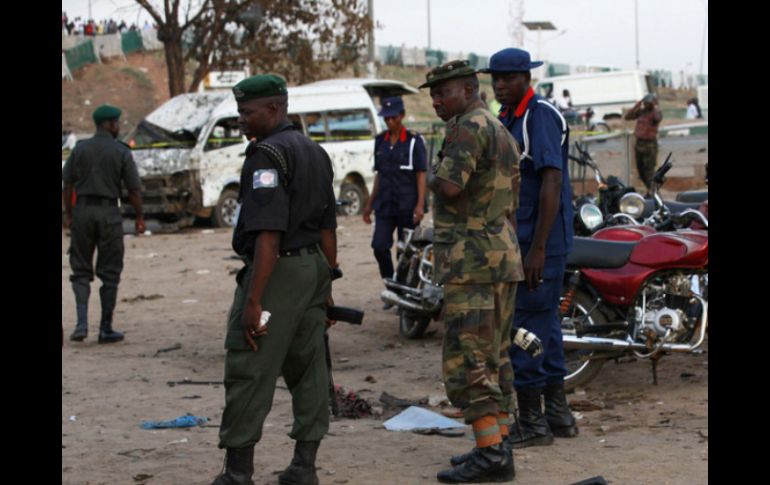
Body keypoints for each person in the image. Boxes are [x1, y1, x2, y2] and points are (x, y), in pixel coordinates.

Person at [209, 74, 339, 485]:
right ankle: (304, 466)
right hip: (312, 269)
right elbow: (327, 229)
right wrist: (326, 286)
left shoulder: (266, 155)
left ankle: (238, 474)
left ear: (275, 108)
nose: (242, 120)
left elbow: (268, 234)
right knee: (309, 366)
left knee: (250, 365)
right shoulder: (315, 151)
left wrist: (254, 301)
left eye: (248, 112)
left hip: (276, 272)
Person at [421, 59, 523, 483]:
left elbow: (449, 186)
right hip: (499, 255)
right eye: (433, 94)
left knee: (470, 358)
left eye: (443, 93)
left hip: (472, 260)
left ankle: (492, 453)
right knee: (496, 355)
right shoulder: (498, 127)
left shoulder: (468, 127)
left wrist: (427, 176)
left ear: (467, 89)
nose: (437, 101)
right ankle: (496, 444)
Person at [480, 47, 578, 448]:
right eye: (495, 79)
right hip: (521, 241)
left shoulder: (539, 115)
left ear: (526, 77)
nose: (500, 85)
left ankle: (534, 425)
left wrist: (537, 249)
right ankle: (558, 417)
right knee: (547, 330)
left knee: (525, 330)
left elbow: (551, 182)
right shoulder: (507, 117)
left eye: (508, 79)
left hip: (540, 243)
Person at [62, 104, 145, 344]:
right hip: (109, 212)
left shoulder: (80, 149)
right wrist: (139, 217)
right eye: (117, 123)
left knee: (80, 270)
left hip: (82, 213)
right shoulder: (120, 151)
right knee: (109, 273)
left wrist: (69, 214)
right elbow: (134, 189)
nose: (118, 127)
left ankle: (81, 324)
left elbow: (66, 185)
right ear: (110, 124)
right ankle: (105, 328)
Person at [362, 96, 427, 303]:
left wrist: (420, 205)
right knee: (379, 246)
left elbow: (421, 174)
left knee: (405, 253)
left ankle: (403, 293)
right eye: (386, 118)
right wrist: (369, 204)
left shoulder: (414, 141)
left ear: (402, 116)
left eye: (393, 117)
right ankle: (390, 284)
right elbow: (379, 175)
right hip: (385, 206)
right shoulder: (380, 141)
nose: (389, 121)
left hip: (407, 206)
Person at [624, 93, 663, 193]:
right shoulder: (641, 112)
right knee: (640, 170)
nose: (646, 105)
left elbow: (657, 118)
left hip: (649, 145)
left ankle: (653, 191)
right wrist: (638, 105)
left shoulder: (656, 112)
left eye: (648, 103)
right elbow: (628, 116)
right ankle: (650, 189)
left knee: (649, 170)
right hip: (639, 144)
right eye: (645, 103)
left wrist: (654, 106)